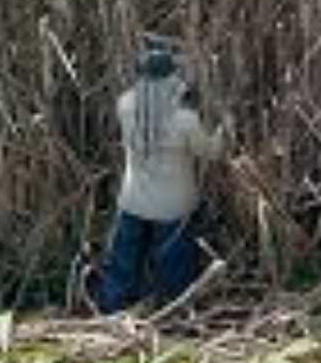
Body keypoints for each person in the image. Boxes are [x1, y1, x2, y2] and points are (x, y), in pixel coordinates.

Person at [99, 47, 230, 314]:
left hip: (133, 199)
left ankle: (112, 307)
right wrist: (225, 127)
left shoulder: (124, 105)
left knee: (124, 261)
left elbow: (149, 108)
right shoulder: (185, 120)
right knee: (174, 265)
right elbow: (212, 152)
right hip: (173, 205)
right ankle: (173, 312)